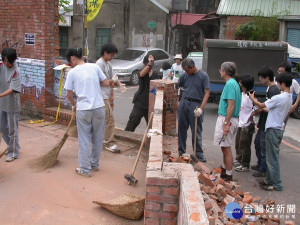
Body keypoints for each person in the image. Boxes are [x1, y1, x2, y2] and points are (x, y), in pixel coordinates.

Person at [64, 48, 109, 177]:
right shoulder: (94, 67)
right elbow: (106, 83)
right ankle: (94, 164)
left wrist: (74, 105)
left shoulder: (72, 72)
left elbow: (68, 95)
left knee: (84, 140)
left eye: (70, 61)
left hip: (83, 109)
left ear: (72, 58)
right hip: (99, 107)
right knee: (98, 138)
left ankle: (85, 169)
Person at [249, 73, 293, 191]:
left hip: (273, 130)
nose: (277, 85)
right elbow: (268, 109)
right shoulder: (289, 97)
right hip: (278, 128)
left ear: (283, 84)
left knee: (272, 158)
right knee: (270, 157)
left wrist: (253, 99)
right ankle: (269, 181)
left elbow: (261, 105)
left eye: (278, 83)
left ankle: (277, 184)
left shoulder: (279, 97)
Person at [177, 58, 210, 162]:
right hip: (184, 102)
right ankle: (181, 151)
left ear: (192, 67)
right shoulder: (184, 75)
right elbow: (178, 86)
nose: (186, 72)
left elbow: (207, 93)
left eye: (187, 70)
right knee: (181, 129)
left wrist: (201, 108)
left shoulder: (203, 76)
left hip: (196, 104)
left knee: (196, 130)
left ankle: (198, 153)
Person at [213, 62, 241, 182]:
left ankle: (228, 175)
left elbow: (231, 105)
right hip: (230, 119)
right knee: (224, 146)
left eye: (221, 70)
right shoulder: (233, 83)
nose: (220, 72)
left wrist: (225, 123)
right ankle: (224, 170)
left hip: (227, 119)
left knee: (226, 147)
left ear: (225, 71)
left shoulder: (230, 84)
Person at [251, 66, 280, 178]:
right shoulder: (270, 89)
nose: (260, 80)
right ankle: (260, 165)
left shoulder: (274, 91)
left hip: (268, 123)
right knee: (258, 143)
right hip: (263, 122)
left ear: (267, 77)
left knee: (263, 147)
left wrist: (258, 105)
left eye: (261, 78)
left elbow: (270, 108)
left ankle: (263, 169)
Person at [96, 43, 126, 153]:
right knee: (110, 120)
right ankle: (109, 143)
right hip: (101, 97)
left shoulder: (107, 63)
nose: (112, 57)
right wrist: (112, 81)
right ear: (105, 53)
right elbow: (102, 82)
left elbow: (114, 76)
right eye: (111, 55)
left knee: (103, 120)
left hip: (105, 97)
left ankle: (103, 139)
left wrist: (119, 84)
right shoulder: (99, 64)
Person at [124, 55, 160, 132]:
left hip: (150, 104)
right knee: (132, 122)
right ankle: (126, 137)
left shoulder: (156, 74)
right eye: (148, 63)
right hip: (140, 102)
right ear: (145, 64)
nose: (150, 65)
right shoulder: (142, 72)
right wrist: (149, 64)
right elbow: (141, 74)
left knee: (152, 127)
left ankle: (149, 141)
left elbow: (156, 88)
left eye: (152, 63)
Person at [0, 47, 21, 162]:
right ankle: (13, 146)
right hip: (1, 104)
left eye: (10, 62)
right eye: (5, 61)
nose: (7, 64)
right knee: (2, 127)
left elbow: (12, 89)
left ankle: (13, 152)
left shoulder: (16, 72)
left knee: (12, 129)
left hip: (12, 105)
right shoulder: (1, 66)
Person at [234, 75, 256, 172]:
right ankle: (239, 159)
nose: (240, 84)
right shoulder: (241, 94)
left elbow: (258, 108)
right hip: (241, 122)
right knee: (238, 143)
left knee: (245, 145)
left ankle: (245, 164)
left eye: (241, 82)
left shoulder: (251, 95)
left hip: (247, 124)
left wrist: (250, 117)